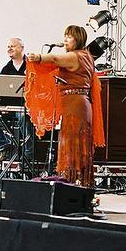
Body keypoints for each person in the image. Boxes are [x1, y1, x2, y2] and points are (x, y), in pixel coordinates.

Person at [26, 25, 105, 187]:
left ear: (78, 39)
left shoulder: (75, 56)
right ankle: (80, 183)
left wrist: (39, 57)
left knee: (72, 146)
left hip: (74, 105)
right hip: (81, 104)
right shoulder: (87, 56)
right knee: (79, 147)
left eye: (69, 36)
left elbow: (55, 59)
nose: (65, 39)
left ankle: (71, 184)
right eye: (65, 36)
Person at [0, 37, 33, 161]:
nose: (9, 48)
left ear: (22, 48)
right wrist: (0, 105)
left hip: (26, 107)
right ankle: (3, 146)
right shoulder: (6, 69)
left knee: (23, 117)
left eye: (12, 46)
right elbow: (1, 90)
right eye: (8, 46)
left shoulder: (31, 66)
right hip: (8, 108)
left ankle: (28, 153)